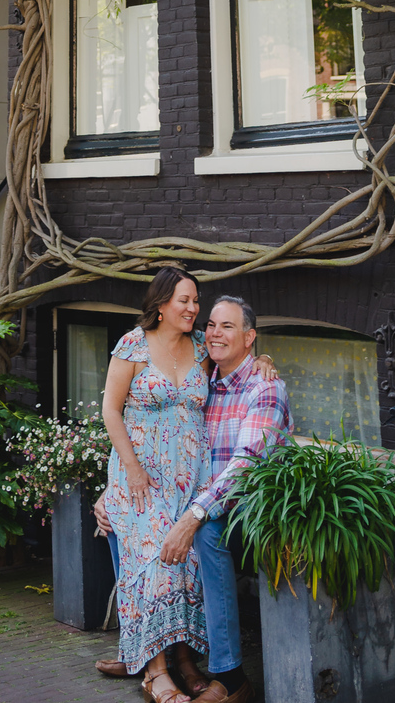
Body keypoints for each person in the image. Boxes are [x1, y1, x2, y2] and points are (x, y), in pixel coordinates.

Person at [97, 293, 290, 703]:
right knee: (121, 524)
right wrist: (113, 488)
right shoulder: (208, 376)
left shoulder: (264, 386)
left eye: (227, 327)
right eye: (212, 325)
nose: (214, 334)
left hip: (242, 509)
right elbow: (144, 426)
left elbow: (247, 464)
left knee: (201, 538)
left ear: (250, 337)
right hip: (186, 496)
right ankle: (148, 651)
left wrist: (194, 516)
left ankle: (230, 676)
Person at [101, 267, 211, 703]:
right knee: (155, 563)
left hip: (192, 476)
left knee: (188, 566)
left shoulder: (201, 346)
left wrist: (260, 359)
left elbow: (233, 370)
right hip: (141, 477)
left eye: (196, 301)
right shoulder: (132, 345)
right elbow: (111, 410)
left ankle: (184, 659)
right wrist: (130, 469)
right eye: (184, 300)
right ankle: (157, 672)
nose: (192, 309)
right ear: (161, 305)